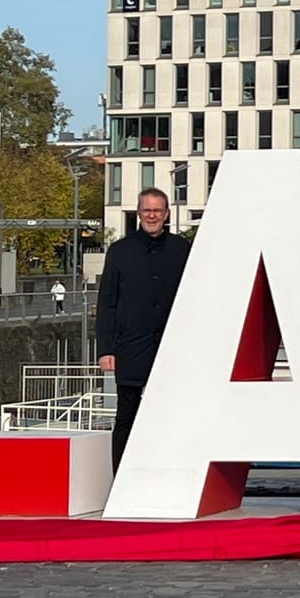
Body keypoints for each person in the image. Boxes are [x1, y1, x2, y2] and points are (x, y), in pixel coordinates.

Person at [96, 189, 190, 472]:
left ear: (167, 214)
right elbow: (107, 303)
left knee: (173, 414)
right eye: (147, 210)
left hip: (172, 347)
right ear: (138, 213)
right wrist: (106, 349)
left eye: (157, 211)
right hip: (130, 346)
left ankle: (171, 473)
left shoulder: (182, 249)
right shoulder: (120, 251)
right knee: (126, 415)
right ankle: (121, 477)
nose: (152, 215)